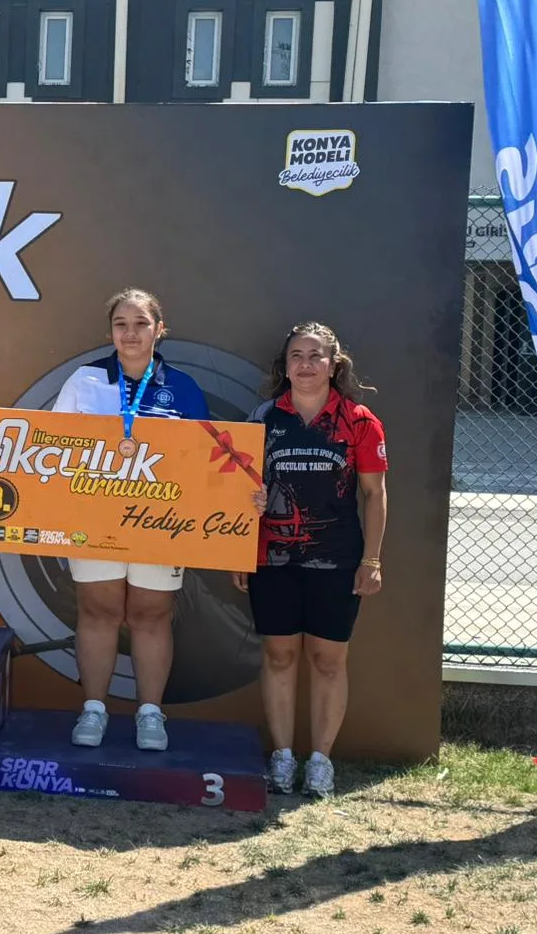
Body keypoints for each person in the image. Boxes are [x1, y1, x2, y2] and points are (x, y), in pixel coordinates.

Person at [51, 288, 214, 754]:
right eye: (121, 324)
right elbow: (53, 445)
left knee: (151, 614)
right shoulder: (85, 380)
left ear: (160, 330)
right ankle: (94, 709)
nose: (131, 333)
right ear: (110, 333)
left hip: (160, 521)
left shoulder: (182, 387)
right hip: (94, 518)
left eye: (141, 323)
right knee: (98, 612)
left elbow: (206, 460)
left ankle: (150, 713)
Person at [234, 322, 387, 799]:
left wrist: (372, 559)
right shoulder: (263, 418)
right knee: (279, 656)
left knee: (328, 660)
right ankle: (282, 757)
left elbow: (375, 494)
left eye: (315, 355)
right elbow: (239, 489)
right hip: (272, 557)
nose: (305, 364)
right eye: (296, 356)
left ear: (334, 364)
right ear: (284, 366)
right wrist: (239, 547)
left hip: (336, 559)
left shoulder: (359, 420)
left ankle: (320, 761)